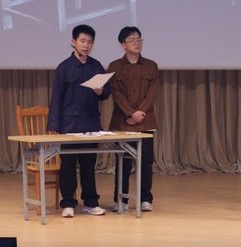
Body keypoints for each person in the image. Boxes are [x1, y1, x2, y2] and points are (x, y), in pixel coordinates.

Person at [47, 24, 112, 218]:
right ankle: (68, 203)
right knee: (68, 165)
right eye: (82, 41)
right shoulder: (64, 68)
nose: (86, 45)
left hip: (91, 124)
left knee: (88, 165)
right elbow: (56, 98)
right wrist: (53, 126)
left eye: (90, 42)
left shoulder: (96, 66)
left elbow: (106, 93)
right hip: (69, 125)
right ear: (73, 42)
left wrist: (101, 91)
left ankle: (91, 202)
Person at [106, 26, 159, 213]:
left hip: (146, 121)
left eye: (139, 39)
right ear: (123, 45)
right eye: (132, 40)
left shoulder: (151, 65)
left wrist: (139, 113)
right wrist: (130, 113)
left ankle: (145, 199)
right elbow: (116, 94)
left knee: (146, 162)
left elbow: (153, 93)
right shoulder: (114, 67)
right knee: (123, 162)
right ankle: (120, 199)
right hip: (123, 122)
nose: (137, 43)